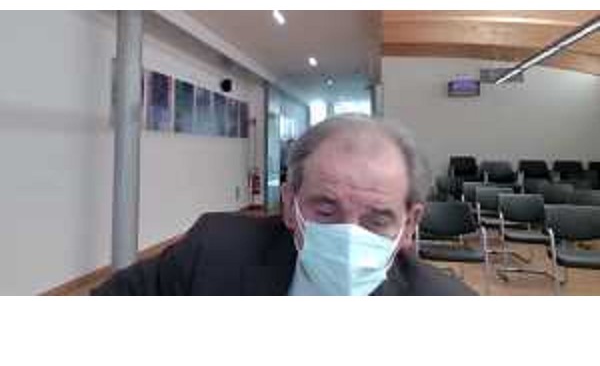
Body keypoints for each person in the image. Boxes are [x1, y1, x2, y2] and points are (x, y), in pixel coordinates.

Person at [93, 115, 474, 296]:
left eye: (376, 220)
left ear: (410, 224)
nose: (349, 236)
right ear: (291, 205)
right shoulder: (214, 249)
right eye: (326, 210)